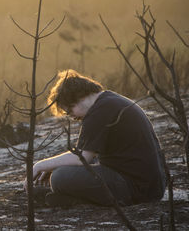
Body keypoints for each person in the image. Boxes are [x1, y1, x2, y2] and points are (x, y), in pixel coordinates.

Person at [25, 69, 166, 207]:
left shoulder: (99, 111)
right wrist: (55, 165)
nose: (72, 117)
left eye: (69, 110)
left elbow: (81, 157)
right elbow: (90, 157)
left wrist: (40, 165)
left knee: (59, 177)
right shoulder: (110, 101)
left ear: (79, 97)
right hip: (150, 186)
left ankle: (80, 202)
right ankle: (75, 199)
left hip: (136, 189)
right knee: (65, 171)